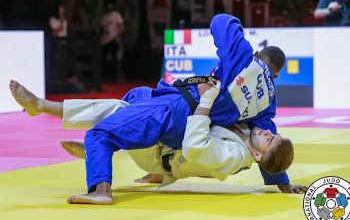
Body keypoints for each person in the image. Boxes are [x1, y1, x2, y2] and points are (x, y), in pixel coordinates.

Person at [9, 80, 307, 205]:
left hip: (158, 154)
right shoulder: (251, 135)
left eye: (270, 140)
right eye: (274, 134)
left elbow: (194, 147)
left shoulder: (232, 156)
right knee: (122, 107)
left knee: (108, 128)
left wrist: (206, 99)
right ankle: (44, 106)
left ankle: (101, 188)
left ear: (255, 154)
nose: (269, 132)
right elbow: (267, 125)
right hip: (161, 150)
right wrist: (282, 182)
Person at [100, 3, 125, 82]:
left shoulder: (116, 15)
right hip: (105, 40)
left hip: (114, 39)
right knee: (104, 58)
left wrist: (117, 34)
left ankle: (113, 77)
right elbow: (102, 28)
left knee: (114, 58)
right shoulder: (104, 16)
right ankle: (105, 76)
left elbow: (121, 25)